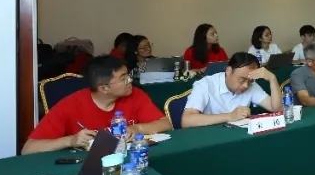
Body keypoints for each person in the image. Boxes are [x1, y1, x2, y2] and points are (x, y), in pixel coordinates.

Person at [22, 55, 171, 154]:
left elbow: (166, 124)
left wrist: (136, 128)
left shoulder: (135, 94)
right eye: (123, 79)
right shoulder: (70, 105)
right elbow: (28, 149)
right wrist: (71, 140)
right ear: (104, 89)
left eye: (128, 75)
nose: (130, 81)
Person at [180, 52, 282, 127]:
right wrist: (230, 116)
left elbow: (276, 109)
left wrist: (272, 79)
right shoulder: (206, 84)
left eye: (250, 81)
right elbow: (186, 121)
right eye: (242, 79)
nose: (246, 86)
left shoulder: (250, 84)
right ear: (228, 71)